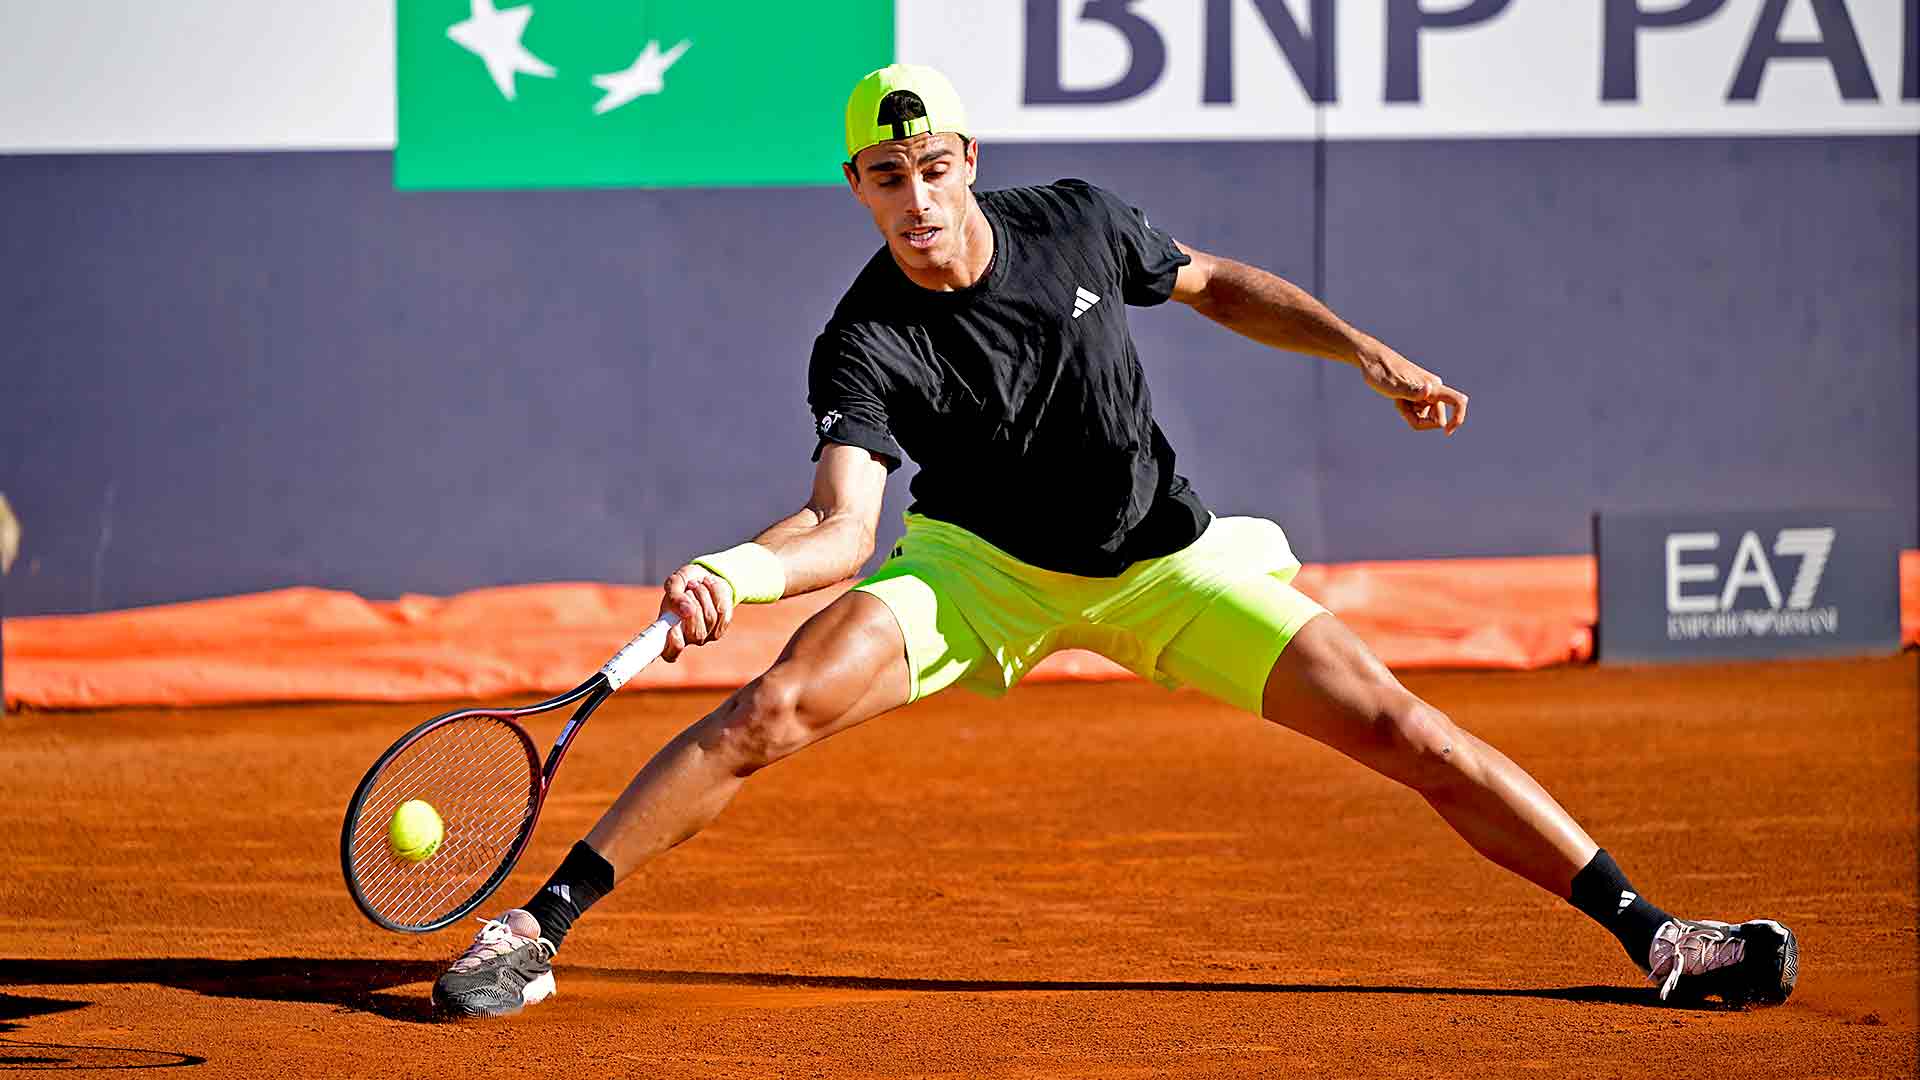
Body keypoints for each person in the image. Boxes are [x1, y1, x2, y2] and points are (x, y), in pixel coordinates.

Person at [430, 64, 1797, 1019]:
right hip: (979, 574)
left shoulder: (1078, 221)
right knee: (765, 710)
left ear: (970, 162)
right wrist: (737, 572)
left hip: (1166, 564)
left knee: (1407, 731)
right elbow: (845, 527)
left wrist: (1362, 350)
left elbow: (1212, 282)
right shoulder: (865, 339)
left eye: (934, 168)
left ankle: (1659, 937)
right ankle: (535, 929)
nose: (916, 198)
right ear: (857, 186)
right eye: (888, 177)